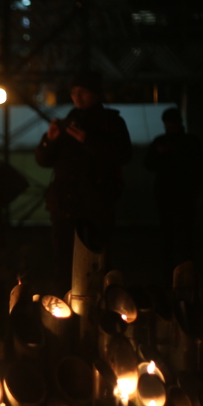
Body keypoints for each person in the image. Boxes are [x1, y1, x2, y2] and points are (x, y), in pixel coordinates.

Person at [34, 72, 132, 291]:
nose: (77, 97)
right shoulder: (67, 123)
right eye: (73, 92)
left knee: (98, 258)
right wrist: (49, 141)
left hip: (96, 203)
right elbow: (43, 160)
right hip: (64, 204)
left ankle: (101, 305)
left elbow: (124, 155)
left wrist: (88, 140)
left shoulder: (111, 122)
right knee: (63, 262)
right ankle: (63, 308)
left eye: (82, 92)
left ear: (95, 94)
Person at [144, 107, 203, 273]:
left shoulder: (187, 142)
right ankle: (173, 266)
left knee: (184, 231)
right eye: (167, 125)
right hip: (169, 193)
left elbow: (197, 164)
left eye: (171, 125)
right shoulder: (163, 141)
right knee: (170, 232)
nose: (169, 128)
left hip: (182, 192)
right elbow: (149, 163)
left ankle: (183, 265)